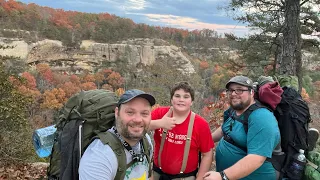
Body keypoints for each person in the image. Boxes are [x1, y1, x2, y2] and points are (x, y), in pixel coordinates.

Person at [204, 76, 280, 180]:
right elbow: (224, 130)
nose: (234, 93)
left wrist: (223, 176)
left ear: (252, 92)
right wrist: (203, 142)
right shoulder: (234, 110)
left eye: (239, 90)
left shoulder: (261, 117)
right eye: (231, 90)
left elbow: (256, 158)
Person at [79, 89, 156, 180]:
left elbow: (148, 175)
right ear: (117, 113)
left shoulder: (145, 141)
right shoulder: (98, 157)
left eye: (144, 113)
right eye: (130, 112)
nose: (138, 119)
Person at [149, 81, 214, 180]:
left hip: (185, 177)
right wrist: (160, 123)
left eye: (186, 97)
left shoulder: (201, 124)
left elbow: (207, 154)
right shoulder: (159, 113)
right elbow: (139, 127)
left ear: (192, 101)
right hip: (157, 174)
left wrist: (200, 178)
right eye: (177, 96)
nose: (181, 100)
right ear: (171, 99)